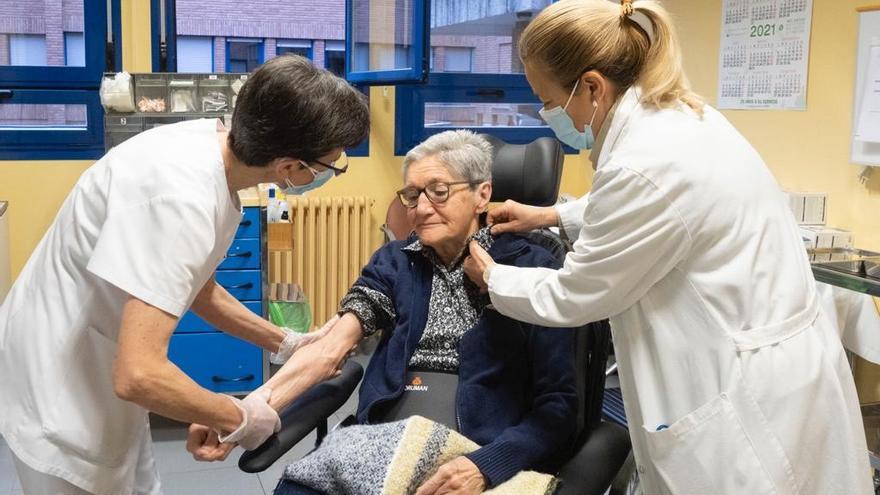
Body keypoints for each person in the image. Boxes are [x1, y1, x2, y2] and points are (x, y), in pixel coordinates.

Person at [462, 1, 873, 493]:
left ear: (592, 86)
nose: (548, 114)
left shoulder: (644, 161)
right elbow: (661, 209)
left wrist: (493, 278)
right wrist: (552, 215)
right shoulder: (678, 118)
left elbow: (579, 292)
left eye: (548, 100)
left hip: (746, 394)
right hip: (772, 359)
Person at [0, 54, 369, 495]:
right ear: (291, 167)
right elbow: (137, 374)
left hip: (92, 362)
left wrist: (286, 342)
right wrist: (240, 419)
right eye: (329, 164)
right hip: (59, 388)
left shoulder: (211, 146)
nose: (327, 173)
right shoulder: (183, 198)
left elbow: (199, 288)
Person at [271, 130, 578, 495]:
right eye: (412, 195)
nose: (421, 207)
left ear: (482, 194)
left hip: (480, 447)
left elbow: (558, 406)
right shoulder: (396, 261)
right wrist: (255, 409)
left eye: (439, 191)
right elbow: (336, 341)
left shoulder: (532, 271)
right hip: (387, 440)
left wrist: (487, 465)